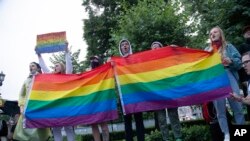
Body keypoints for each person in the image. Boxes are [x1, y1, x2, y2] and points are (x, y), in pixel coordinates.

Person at [205, 26, 245, 141]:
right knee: (220, 110)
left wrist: (231, 61)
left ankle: (241, 134)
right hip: (216, 79)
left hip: (228, 74)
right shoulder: (207, 50)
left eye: (215, 31)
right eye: (211, 33)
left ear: (220, 33)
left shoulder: (229, 46)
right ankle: (226, 135)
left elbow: (239, 62)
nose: (213, 34)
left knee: (237, 106)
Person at [38, 42, 75, 141]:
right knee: (56, 129)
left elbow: (69, 65)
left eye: (57, 65)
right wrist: (39, 55)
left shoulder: (66, 75)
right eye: (54, 66)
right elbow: (44, 67)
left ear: (62, 67)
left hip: (66, 106)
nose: (55, 67)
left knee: (69, 128)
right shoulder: (51, 77)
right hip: (55, 106)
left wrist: (67, 51)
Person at [151, 41, 182, 141]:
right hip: (157, 94)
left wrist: (175, 48)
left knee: (173, 116)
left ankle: (178, 137)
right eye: (153, 47)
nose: (155, 48)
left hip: (170, 92)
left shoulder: (168, 59)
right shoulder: (148, 63)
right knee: (161, 119)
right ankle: (166, 139)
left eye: (157, 47)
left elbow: (179, 57)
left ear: (162, 48)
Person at [13, 62, 51, 141]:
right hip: (27, 109)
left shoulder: (44, 78)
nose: (31, 67)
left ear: (38, 68)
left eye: (33, 66)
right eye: (29, 66)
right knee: (24, 131)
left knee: (40, 132)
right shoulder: (26, 81)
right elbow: (22, 94)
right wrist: (21, 106)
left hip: (39, 108)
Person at [118, 39, 145, 141]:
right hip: (124, 95)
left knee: (139, 120)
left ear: (129, 47)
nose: (125, 46)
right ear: (120, 48)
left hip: (136, 94)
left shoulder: (136, 59)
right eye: (123, 45)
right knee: (127, 121)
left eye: (126, 44)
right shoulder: (117, 62)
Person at [89, 55, 110, 141]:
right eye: (92, 59)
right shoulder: (88, 72)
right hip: (92, 101)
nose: (93, 60)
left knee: (103, 124)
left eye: (95, 59)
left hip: (102, 100)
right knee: (94, 125)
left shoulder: (104, 70)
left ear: (99, 61)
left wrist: (108, 63)